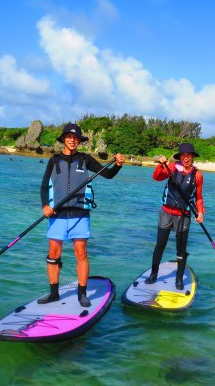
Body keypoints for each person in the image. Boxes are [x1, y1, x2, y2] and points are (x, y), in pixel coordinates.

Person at [37, 123, 125, 307]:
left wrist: (118, 165)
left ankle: (82, 293)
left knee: (81, 253)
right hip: (57, 213)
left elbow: (108, 175)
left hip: (79, 214)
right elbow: (44, 186)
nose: (72, 140)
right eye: (68, 137)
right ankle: (54, 293)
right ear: (63, 139)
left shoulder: (85, 159)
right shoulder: (53, 160)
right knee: (53, 253)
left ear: (79, 141)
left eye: (75, 137)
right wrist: (45, 205)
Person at [146, 143, 205, 290]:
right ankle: (154, 274)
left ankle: (179, 279)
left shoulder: (197, 175)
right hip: (166, 212)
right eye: (183, 155)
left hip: (183, 215)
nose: (186, 158)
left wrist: (200, 212)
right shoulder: (171, 167)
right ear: (179, 157)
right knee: (160, 245)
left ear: (192, 157)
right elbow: (157, 177)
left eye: (189, 155)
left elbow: (198, 197)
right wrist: (161, 164)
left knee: (181, 249)